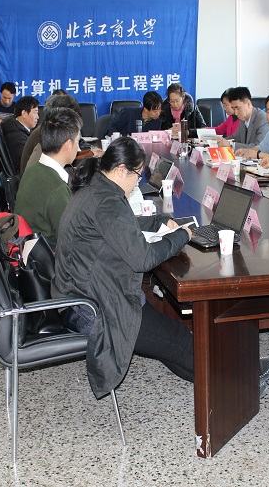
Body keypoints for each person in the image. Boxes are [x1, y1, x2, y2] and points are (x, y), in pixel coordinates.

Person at [53, 137, 194, 397]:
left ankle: (221, 381)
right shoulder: (108, 201)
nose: (138, 183)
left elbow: (120, 225)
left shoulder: (97, 187)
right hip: (95, 309)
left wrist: (158, 222)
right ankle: (243, 377)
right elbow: (143, 259)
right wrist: (181, 236)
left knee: (172, 343)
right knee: (179, 338)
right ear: (120, 170)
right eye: (137, 176)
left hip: (78, 296)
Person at [14, 108, 81, 248]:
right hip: (51, 254)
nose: (78, 148)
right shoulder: (57, 189)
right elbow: (74, 239)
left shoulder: (34, 168)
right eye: (77, 141)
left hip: (31, 246)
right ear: (68, 145)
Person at [215, 86, 269, 150]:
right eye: (233, 109)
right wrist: (220, 141)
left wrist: (231, 145)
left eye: (238, 108)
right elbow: (235, 138)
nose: (236, 113)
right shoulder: (243, 119)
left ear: (248, 104)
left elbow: (258, 147)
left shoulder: (262, 120)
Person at [0, 95, 39, 176]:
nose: (37, 117)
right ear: (24, 113)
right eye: (35, 112)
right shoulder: (16, 137)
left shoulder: (16, 127)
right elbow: (28, 163)